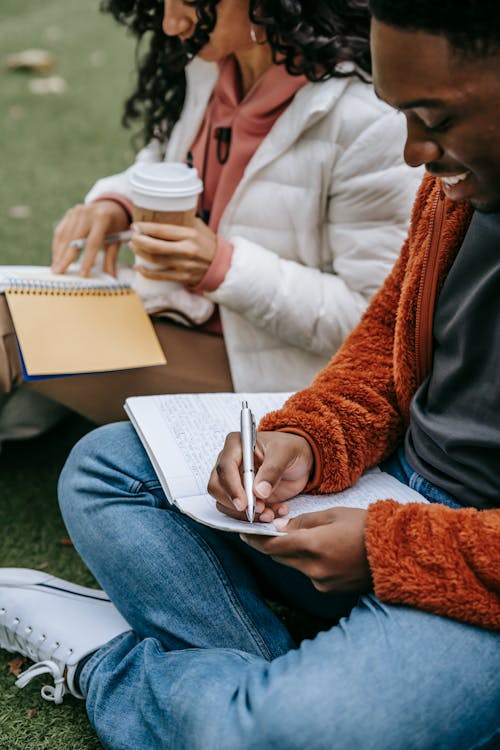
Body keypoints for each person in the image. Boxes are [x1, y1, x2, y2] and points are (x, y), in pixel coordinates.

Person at [1, 1, 499, 748]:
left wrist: (389, 549)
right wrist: (304, 432)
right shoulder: (459, 175)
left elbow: (344, 313)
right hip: (390, 486)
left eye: (432, 117)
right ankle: (277, 691)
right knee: (106, 466)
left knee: (280, 733)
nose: (412, 154)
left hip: (466, 563)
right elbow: (383, 344)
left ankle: (113, 661)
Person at [0, 0, 419, 435]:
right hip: (173, 311)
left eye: (189, 3)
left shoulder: (369, 120)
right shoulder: (212, 64)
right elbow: (167, 162)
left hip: (271, 374)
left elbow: (372, 324)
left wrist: (221, 267)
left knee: (12, 334)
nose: (170, 22)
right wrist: (115, 203)